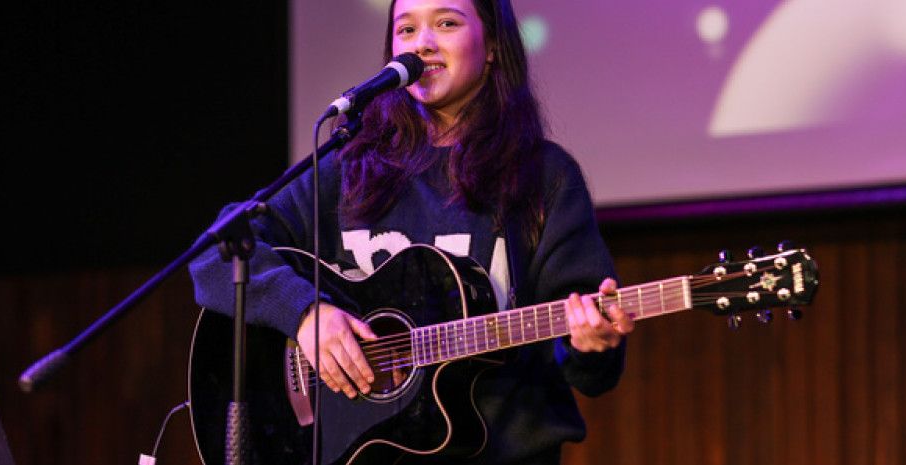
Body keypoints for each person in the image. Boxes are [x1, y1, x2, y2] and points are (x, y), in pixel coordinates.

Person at [189, 0, 634, 463]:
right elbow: (214, 253)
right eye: (406, 30)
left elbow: (590, 365)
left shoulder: (543, 177)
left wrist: (592, 346)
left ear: (492, 47)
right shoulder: (349, 168)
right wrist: (304, 314)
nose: (422, 43)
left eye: (446, 23)